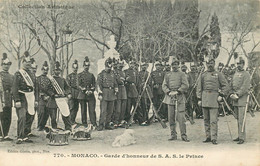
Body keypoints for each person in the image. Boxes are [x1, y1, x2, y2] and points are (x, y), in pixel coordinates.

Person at [196, 59, 230, 145]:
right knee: (206, 119)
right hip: (205, 98)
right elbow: (199, 87)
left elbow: (225, 86)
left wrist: (221, 95)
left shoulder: (219, 74)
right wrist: (199, 99)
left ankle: (214, 138)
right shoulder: (203, 75)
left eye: (211, 63)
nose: (210, 65)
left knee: (213, 120)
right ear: (206, 64)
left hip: (214, 98)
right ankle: (208, 136)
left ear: (214, 64)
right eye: (208, 63)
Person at [162, 58, 190, 142]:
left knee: (181, 118)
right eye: (173, 64)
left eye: (176, 64)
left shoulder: (182, 74)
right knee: (171, 117)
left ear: (178, 65)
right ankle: (173, 135)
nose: (174, 66)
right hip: (170, 97)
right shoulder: (167, 74)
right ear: (171, 65)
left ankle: (183, 135)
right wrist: (169, 92)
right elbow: (164, 85)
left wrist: (178, 91)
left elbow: (186, 85)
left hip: (179, 97)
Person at [12, 51, 37, 144]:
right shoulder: (18, 74)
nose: (28, 64)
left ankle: (26, 135)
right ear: (22, 62)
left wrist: (36, 99)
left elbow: (36, 88)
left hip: (31, 97)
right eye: (26, 62)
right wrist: (17, 100)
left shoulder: (32, 74)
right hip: (22, 97)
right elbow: (14, 88)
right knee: (22, 117)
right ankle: (20, 136)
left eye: (29, 62)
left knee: (30, 116)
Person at [230, 57, 251, 144]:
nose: (239, 65)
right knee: (238, 118)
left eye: (240, 64)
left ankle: (242, 137)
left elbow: (245, 86)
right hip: (235, 99)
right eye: (237, 64)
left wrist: (238, 94)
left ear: (243, 64)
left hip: (242, 99)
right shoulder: (235, 73)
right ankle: (239, 135)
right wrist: (231, 93)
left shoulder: (246, 74)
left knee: (242, 119)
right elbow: (232, 84)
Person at [97, 57, 118, 131]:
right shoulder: (101, 74)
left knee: (110, 111)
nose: (109, 68)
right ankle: (101, 124)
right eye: (107, 66)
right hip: (105, 94)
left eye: (110, 66)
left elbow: (115, 83)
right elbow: (99, 85)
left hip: (112, 94)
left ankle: (107, 124)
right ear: (105, 66)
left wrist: (116, 88)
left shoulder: (113, 74)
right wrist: (100, 94)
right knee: (103, 111)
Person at [50, 61, 72, 130]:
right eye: (56, 70)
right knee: (53, 116)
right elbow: (47, 89)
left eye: (58, 70)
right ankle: (54, 128)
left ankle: (68, 128)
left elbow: (67, 87)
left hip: (62, 98)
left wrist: (68, 93)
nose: (57, 71)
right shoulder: (50, 80)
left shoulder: (62, 79)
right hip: (53, 99)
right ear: (53, 70)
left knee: (65, 114)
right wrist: (52, 94)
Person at [77, 57, 97, 127]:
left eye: (88, 65)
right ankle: (84, 123)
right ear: (83, 66)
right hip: (83, 94)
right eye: (85, 65)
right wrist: (84, 90)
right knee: (83, 110)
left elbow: (94, 84)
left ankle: (93, 123)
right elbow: (78, 85)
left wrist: (91, 90)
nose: (86, 67)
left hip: (90, 94)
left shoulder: (91, 75)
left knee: (92, 110)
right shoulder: (79, 75)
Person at [36, 61, 56, 131]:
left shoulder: (51, 79)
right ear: (41, 70)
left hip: (49, 97)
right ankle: (40, 125)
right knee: (41, 112)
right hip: (41, 98)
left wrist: (49, 96)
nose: (45, 71)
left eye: (46, 69)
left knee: (47, 112)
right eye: (44, 69)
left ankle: (44, 125)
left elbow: (52, 89)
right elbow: (37, 89)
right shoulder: (38, 79)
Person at [0, 53, 14, 141]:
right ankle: (0, 135)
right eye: (4, 64)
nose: (6, 66)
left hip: (9, 98)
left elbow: (13, 87)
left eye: (8, 65)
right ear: (2, 65)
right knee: (1, 116)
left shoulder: (11, 76)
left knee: (8, 116)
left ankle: (6, 134)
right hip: (1, 98)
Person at [24, 58, 38, 138]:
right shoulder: (26, 77)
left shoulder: (35, 77)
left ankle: (28, 131)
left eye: (35, 68)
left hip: (33, 99)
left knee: (32, 115)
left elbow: (37, 90)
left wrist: (36, 100)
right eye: (32, 68)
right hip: (27, 98)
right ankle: (24, 132)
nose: (34, 70)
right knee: (27, 115)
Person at [113, 59, 127, 128]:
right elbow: (117, 80)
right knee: (118, 108)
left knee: (123, 107)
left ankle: (121, 120)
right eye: (119, 65)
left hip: (123, 90)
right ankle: (116, 121)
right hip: (118, 90)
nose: (121, 66)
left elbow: (124, 80)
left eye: (122, 65)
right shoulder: (115, 72)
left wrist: (123, 80)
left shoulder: (123, 72)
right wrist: (122, 80)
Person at [67, 60, 80, 124]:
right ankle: (69, 121)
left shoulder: (78, 76)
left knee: (76, 108)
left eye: (76, 68)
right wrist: (69, 93)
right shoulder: (69, 76)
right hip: (71, 93)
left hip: (77, 94)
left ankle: (73, 120)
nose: (75, 69)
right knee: (71, 107)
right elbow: (67, 86)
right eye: (74, 68)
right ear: (72, 68)